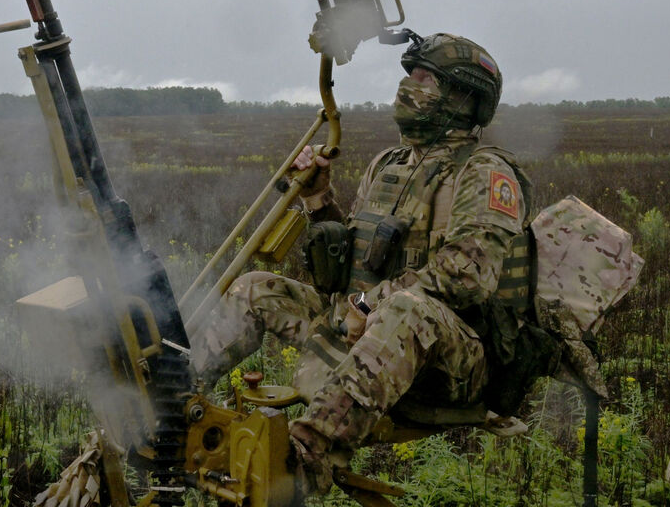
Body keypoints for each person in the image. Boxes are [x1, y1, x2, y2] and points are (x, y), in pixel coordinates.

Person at [190, 32, 537, 497]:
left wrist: (367, 302)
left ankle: (303, 463)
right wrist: (318, 200)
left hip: (452, 357)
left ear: (463, 97)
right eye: (408, 74)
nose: (408, 86)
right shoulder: (388, 163)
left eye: (425, 78)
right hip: (365, 327)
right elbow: (354, 265)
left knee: (406, 309)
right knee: (255, 287)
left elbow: (469, 276)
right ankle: (175, 404)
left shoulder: (485, 171)